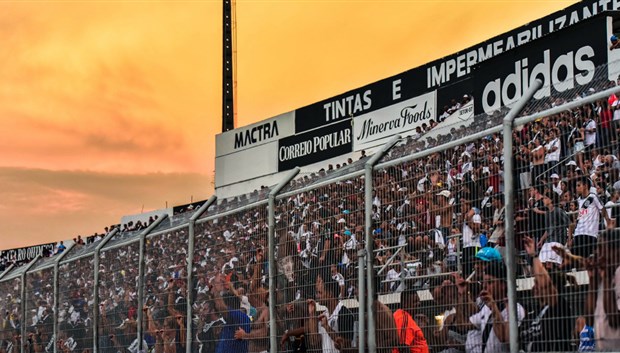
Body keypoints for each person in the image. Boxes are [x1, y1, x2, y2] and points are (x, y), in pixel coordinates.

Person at [519, 236, 572, 352]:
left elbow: (545, 284)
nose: (534, 288)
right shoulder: (533, 314)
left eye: (537, 283)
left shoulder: (559, 306)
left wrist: (534, 256)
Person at [570, 177, 615, 259]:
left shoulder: (593, 197)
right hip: (578, 233)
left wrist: (608, 222)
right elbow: (580, 217)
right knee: (576, 261)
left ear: (585, 186)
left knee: (587, 260)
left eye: (578, 185)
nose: (576, 188)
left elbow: (603, 209)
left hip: (589, 234)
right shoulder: (579, 200)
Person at [392, 289, 429, 353]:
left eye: (419, 301)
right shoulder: (403, 318)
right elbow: (403, 346)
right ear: (405, 304)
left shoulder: (406, 317)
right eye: (415, 302)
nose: (419, 304)